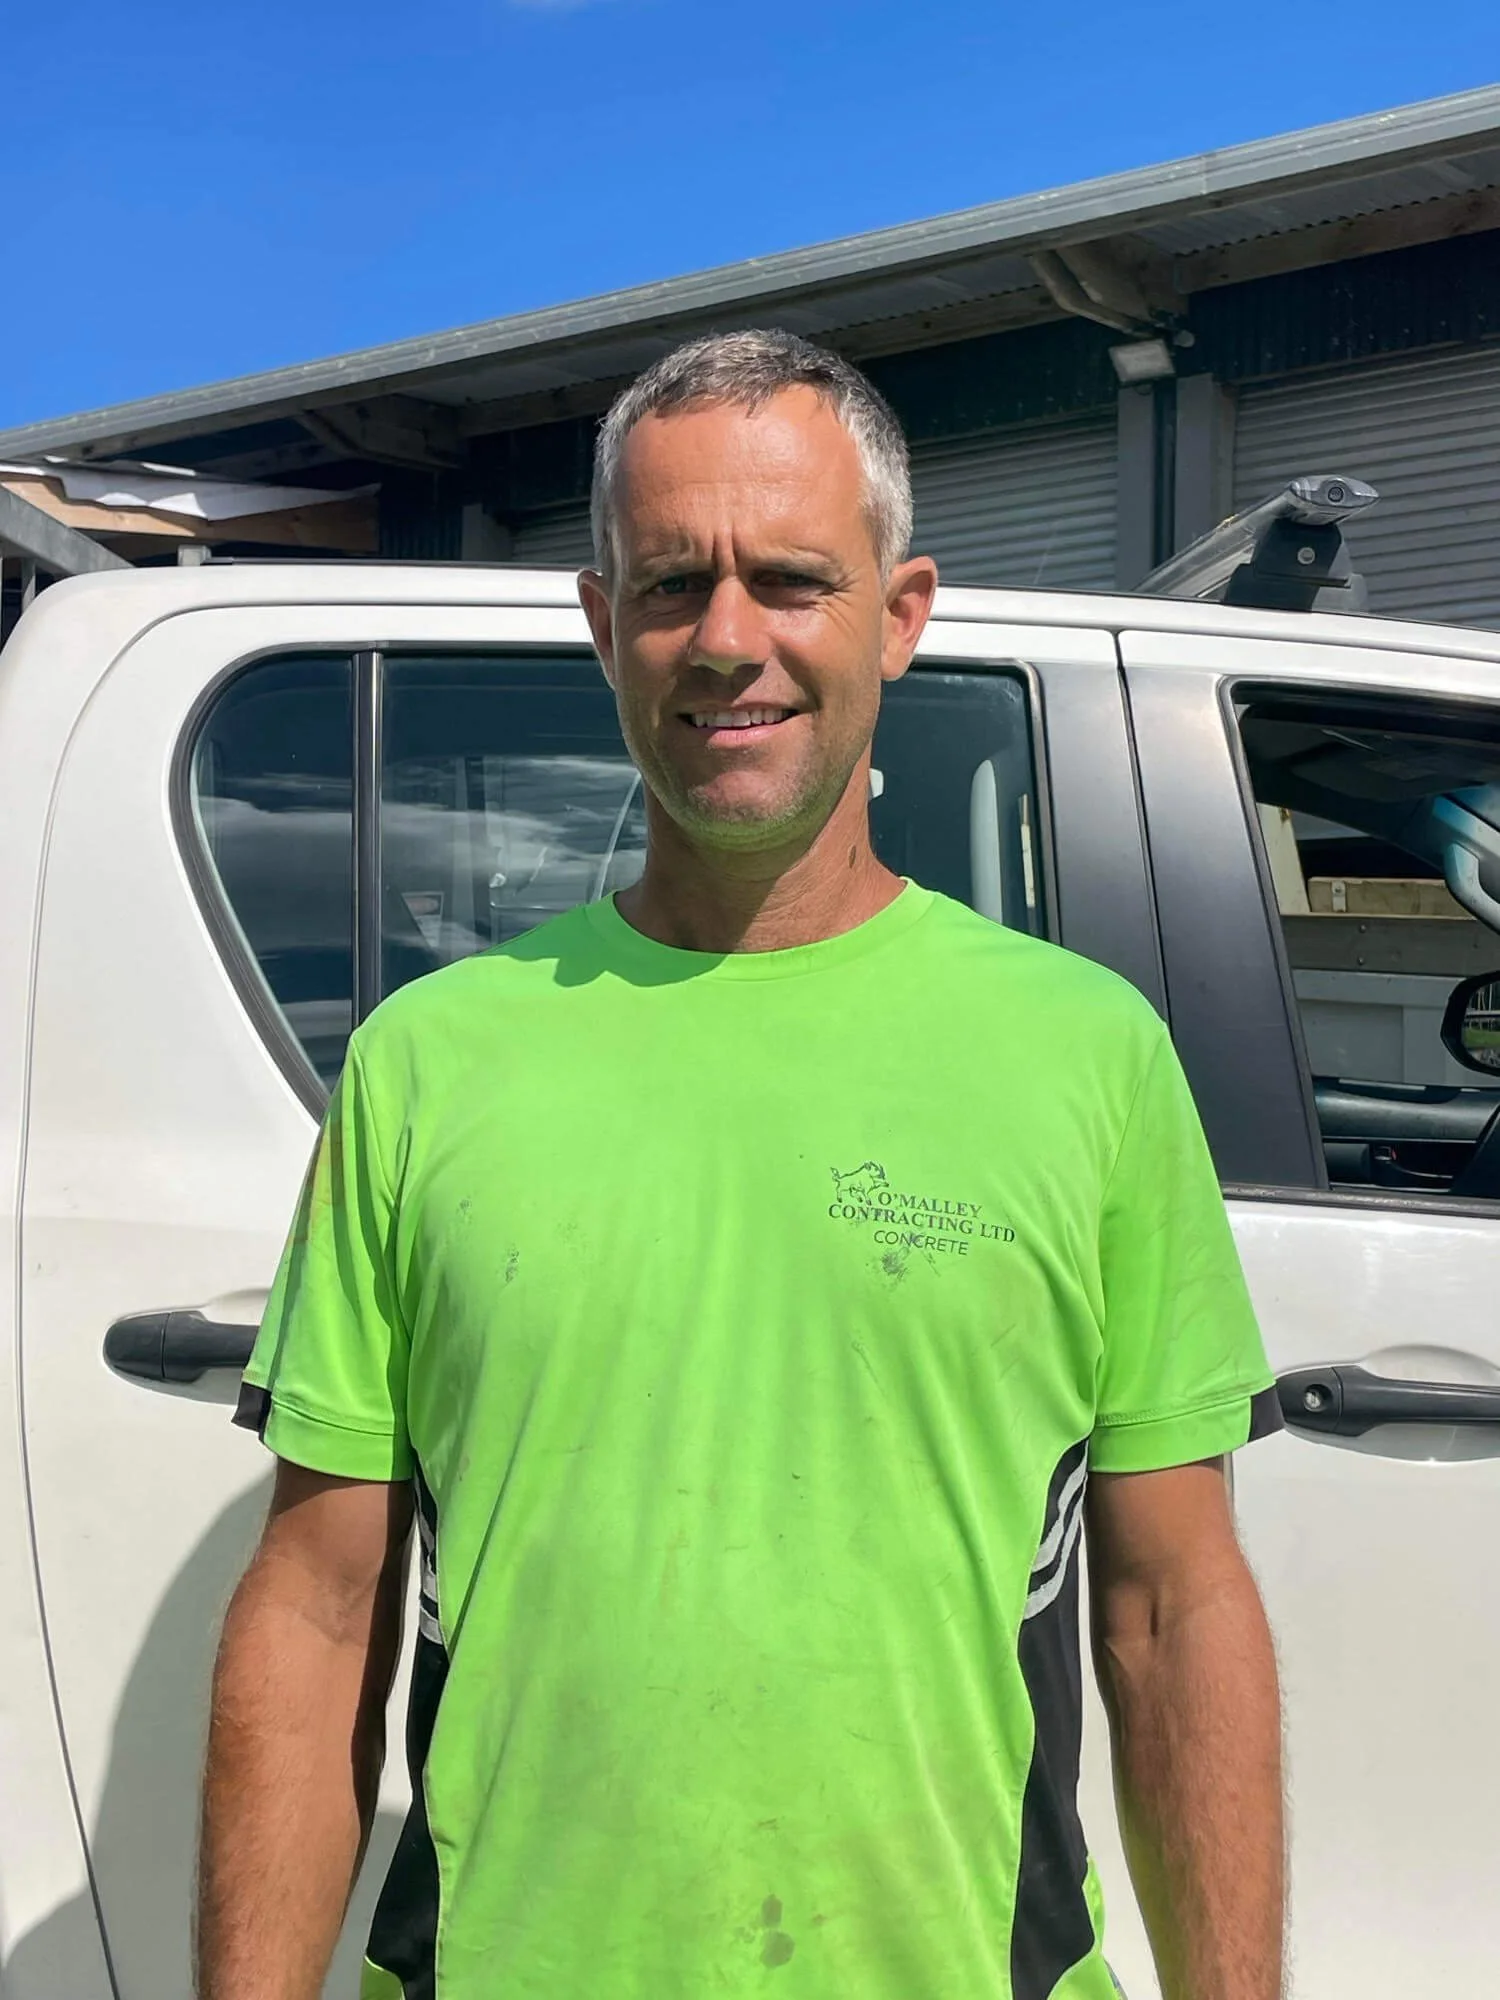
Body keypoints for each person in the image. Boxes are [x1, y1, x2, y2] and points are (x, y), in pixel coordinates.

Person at [199, 329, 1285, 2000]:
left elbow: (1170, 1609)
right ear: (598, 620)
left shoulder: (1091, 1058)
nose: (725, 642)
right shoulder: (428, 1064)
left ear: (901, 614)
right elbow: (318, 1612)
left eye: (790, 578)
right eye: (667, 586)